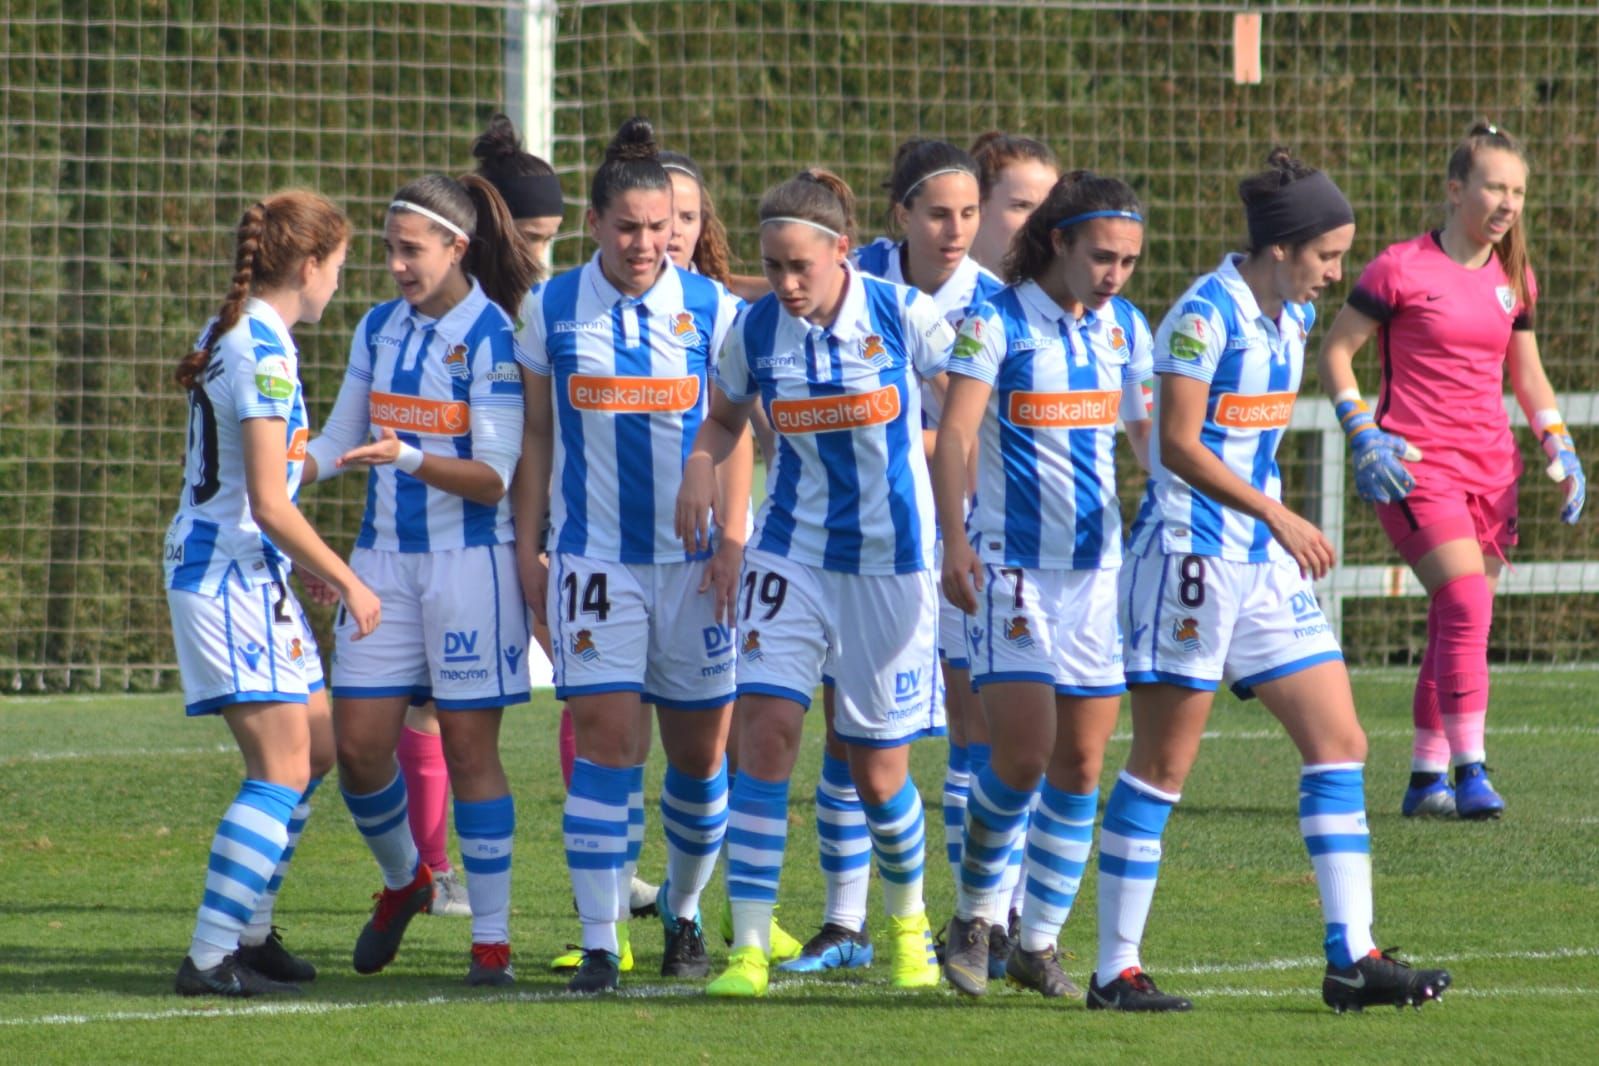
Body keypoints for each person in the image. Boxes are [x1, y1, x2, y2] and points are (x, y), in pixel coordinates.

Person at [1097, 149, 1453, 1014]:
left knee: (1340, 743)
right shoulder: (1200, 315)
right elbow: (1176, 448)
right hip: (1188, 560)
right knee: (1162, 765)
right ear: (1282, 246)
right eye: (1328, 255)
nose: (1336, 273)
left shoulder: (1289, 317)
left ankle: (1351, 959)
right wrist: (1278, 514)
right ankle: (1114, 970)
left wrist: (1361, 434)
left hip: (1259, 565)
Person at [676, 167, 953, 999]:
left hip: (889, 566)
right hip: (788, 556)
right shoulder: (754, 329)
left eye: (801, 266)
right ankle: (748, 952)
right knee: (761, 743)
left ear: (842, 252)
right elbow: (723, 417)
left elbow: (966, 403)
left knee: (877, 773)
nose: (787, 283)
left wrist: (961, 516)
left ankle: (909, 927)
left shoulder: (905, 315)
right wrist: (699, 463)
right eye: (773, 265)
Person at [513, 117, 747, 994]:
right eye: (627, 228)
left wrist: (731, 541)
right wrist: (527, 551)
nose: (645, 244)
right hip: (593, 565)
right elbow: (536, 438)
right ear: (595, 227)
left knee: (697, 758)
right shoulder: (550, 307)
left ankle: (682, 911)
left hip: (696, 571)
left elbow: (739, 435)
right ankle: (601, 939)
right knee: (609, 748)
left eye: (660, 227)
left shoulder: (717, 309)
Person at [304, 172, 537, 987]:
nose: (396, 265)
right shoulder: (377, 327)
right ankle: (407, 882)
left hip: (470, 566)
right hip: (381, 561)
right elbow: (337, 435)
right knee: (360, 751)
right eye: (389, 249)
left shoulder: (493, 337)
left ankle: (493, 945)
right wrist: (283, 472)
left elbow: (495, 476)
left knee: (471, 752)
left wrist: (403, 455)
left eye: (411, 249)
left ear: (456, 247)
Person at [1316, 122, 1584, 820]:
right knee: (1464, 603)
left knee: (1456, 620)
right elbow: (1336, 351)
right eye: (1495, 186)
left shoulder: (1513, 277)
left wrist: (1557, 443)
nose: (1507, 203)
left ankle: (1422, 780)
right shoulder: (1398, 267)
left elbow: (1526, 375)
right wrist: (1361, 433)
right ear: (1453, 189)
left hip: (1492, 470)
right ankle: (1472, 771)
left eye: (1518, 191)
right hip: (1414, 468)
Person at [934, 171, 1152, 1000]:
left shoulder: (1125, 327)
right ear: (1059, 241)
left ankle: (1039, 942)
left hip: (1096, 576)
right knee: (1020, 757)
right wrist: (954, 538)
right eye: (1102, 256)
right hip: (1010, 571)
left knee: (1081, 764)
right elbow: (954, 437)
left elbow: (1145, 437)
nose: (1115, 275)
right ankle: (974, 915)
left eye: (1129, 261)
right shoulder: (993, 320)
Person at [165, 190, 381, 996]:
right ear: (310, 264)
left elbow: (277, 477)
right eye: (340, 267)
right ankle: (210, 954)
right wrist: (350, 577)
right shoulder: (259, 347)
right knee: (281, 768)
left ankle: (250, 936)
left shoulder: (252, 334)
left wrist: (348, 458)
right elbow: (265, 501)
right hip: (224, 576)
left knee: (317, 748)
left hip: (253, 575)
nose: (339, 285)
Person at [806, 138, 1003, 978]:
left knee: (969, 725)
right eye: (937, 213)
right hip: (858, 532)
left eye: (969, 213)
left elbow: (988, 425)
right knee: (843, 733)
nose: (955, 229)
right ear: (898, 218)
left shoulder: (992, 301)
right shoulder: (859, 274)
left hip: (959, 530)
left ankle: (975, 922)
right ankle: (844, 921)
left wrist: (917, 438)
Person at [391, 113, 566, 923]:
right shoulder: (483, 318)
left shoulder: (541, 307)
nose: (543, 252)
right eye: (533, 234)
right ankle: (436, 871)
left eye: (555, 235)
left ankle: (605, 864)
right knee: (433, 708)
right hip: (475, 535)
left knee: (584, 679)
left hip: (550, 512)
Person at [968, 132, 1060, 276]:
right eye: (1021, 206)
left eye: (1048, 209)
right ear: (977, 205)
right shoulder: (930, 293)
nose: (1040, 222)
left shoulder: (1080, 293)